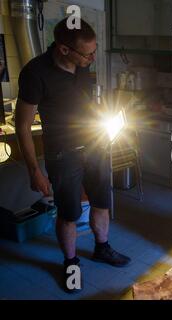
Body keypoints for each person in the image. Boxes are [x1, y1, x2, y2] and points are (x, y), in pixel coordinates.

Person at [16, 17, 131, 293]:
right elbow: (22, 125)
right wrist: (34, 170)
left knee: (102, 202)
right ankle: (71, 263)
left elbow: (82, 103)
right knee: (69, 213)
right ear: (64, 49)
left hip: (96, 146)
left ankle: (102, 247)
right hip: (62, 153)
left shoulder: (82, 66)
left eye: (94, 51)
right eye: (87, 53)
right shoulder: (35, 73)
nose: (92, 58)